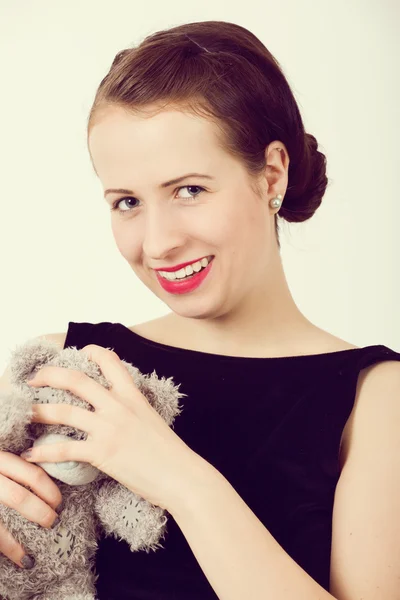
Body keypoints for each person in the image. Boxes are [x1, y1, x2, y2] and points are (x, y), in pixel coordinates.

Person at [0, 19, 399, 600]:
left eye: (189, 190)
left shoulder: (376, 399)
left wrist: (177, 478)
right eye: (127, 202)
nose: (158, 242)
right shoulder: (70, 366)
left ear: (272, 175)